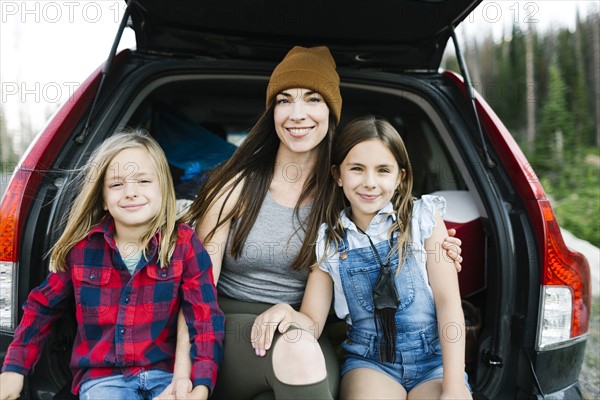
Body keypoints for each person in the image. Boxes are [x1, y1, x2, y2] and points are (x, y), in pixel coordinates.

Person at [165, 46, 464, 400]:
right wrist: (184, 374)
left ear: (331, 111)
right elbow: (198, 291)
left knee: (312, 366)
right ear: (272, 111)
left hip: (303, 326)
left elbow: (397, 236)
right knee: (302, 356)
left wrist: (440, 251)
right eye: (284, 100)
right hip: (230, 326)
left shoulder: (347, 189)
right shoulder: (235, 186)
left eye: (313, 99)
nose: (297, 114)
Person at [253, 115, 472, 399]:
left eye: (383, 170)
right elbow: (313, 321)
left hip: (436, 363)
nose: (370, 182)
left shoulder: (424, 219)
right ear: (338, 175)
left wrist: (453, 386)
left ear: (400, 177)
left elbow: (448, 304)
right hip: (371, 363)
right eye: (357, 169)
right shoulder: (330, 239)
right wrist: (286, 311)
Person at [0, 131, 224, 400]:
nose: (131, 192)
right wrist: (15, 368)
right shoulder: (82, 249)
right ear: (103, 199)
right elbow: (41, 308)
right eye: (117, 185)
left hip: (164, 375)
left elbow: (205, 318)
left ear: (163, 189)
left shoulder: (184, 245)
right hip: (103, 378)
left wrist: (200, 385)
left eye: (143, 181)